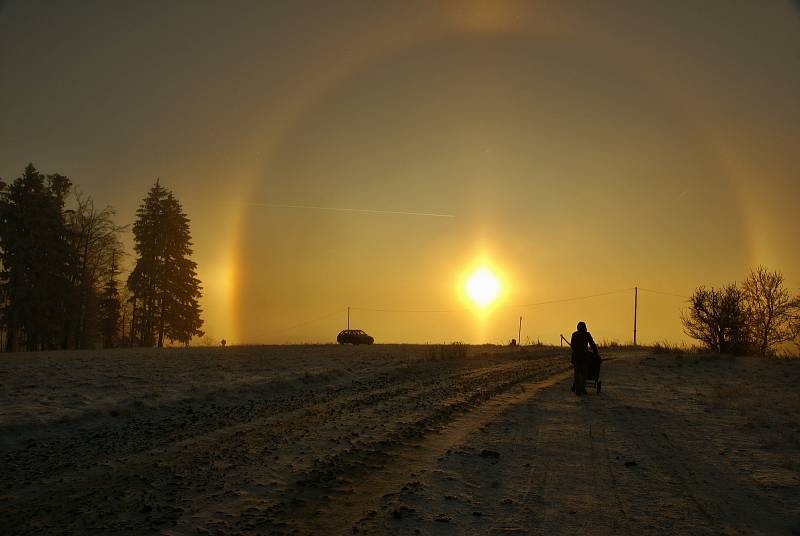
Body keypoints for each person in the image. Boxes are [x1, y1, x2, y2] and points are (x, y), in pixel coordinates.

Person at [570, 321, 599, 396]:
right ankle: (582, 388)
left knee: (577, 372)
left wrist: (576, 350)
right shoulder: (587, 334)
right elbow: (592, 343)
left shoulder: (574, 334)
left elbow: (572, 345)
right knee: (584, 373)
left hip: (576, 356)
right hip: (584, 357)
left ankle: (577, 387)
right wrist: (595, 352)